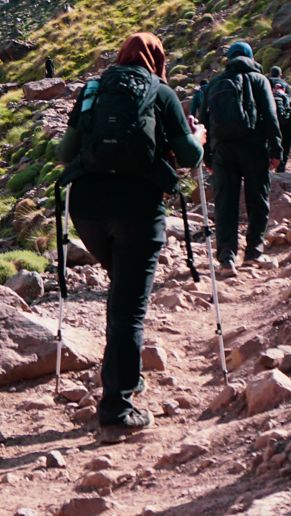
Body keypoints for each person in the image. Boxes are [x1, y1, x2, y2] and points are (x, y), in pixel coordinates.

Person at [57, 32, 206, 443]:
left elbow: (65, 154)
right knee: (128, 308)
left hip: (86, 209)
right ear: (157, 58)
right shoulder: (161, 92)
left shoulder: (92, 89)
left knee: (122, 296)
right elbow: (190, 157)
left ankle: (127, 378)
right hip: (137, 209)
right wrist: (200, 138)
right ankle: (117, 408)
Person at [200, 41, 280, 273]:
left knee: (225, 203)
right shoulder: (259, 79)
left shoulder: (215, 83)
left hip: (222, 150)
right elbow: (270, 115)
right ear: (250, 57)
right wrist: (276, 151)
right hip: (253, 146)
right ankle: (254, 253)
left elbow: (203, 120)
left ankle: (226, 258)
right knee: (258, 200)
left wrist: (207, 158)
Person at [267, 66, 291, 173]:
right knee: (285, 147)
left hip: (270, 121)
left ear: (271, 74)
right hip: (286, 124)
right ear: (281, 75)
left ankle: (267, 169)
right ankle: (281, 170)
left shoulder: (266, 82)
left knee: (268, 146)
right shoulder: (285, 85)